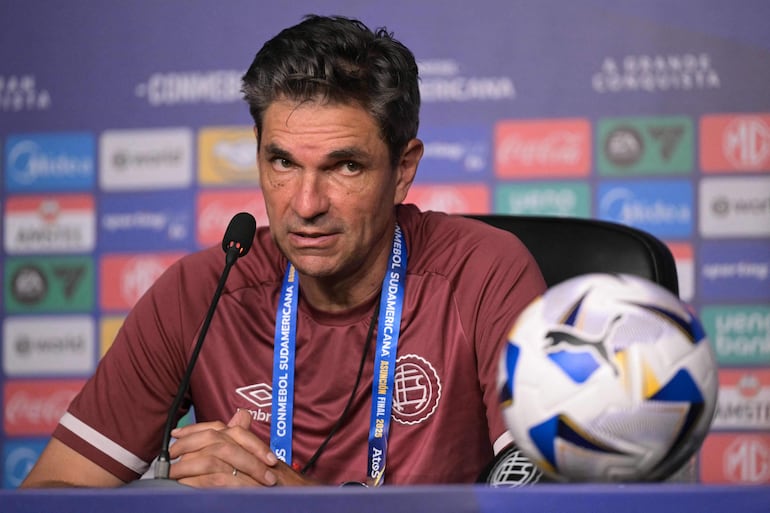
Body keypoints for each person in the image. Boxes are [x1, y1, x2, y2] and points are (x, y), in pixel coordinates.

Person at [21, 14, 545, 488]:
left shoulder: (483, 273)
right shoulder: (202, 290)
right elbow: (50, 494)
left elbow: (540, 502)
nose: (306, 204)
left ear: (403, 169)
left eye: (346, 166)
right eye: (283, 163)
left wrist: (286, 499)